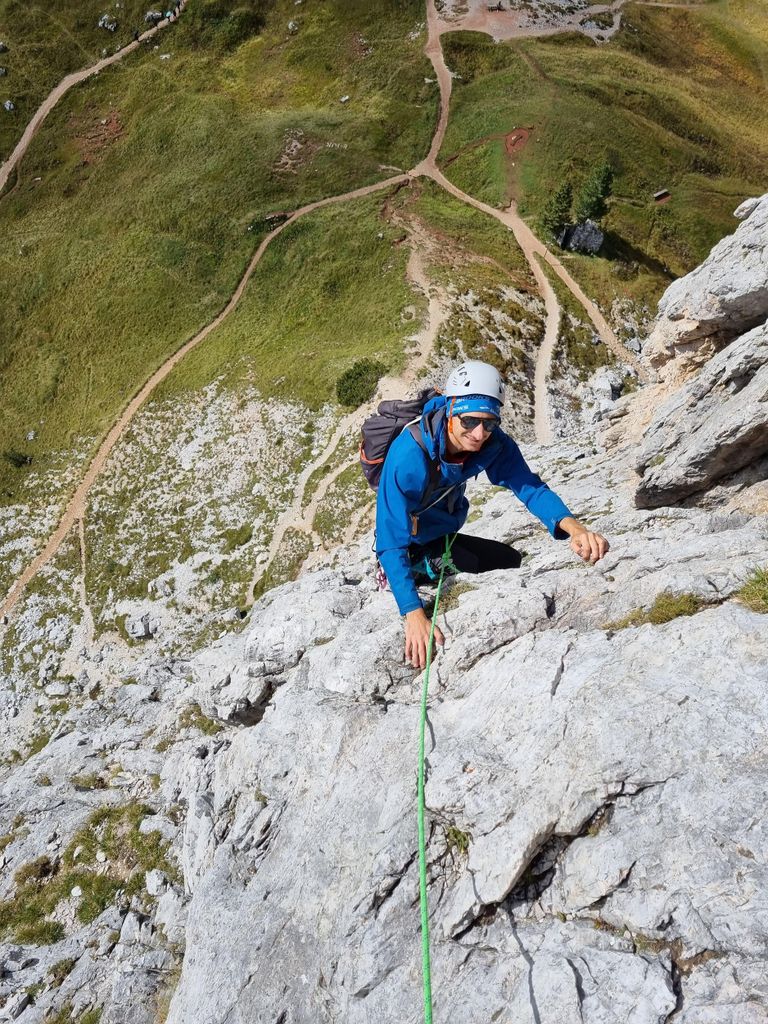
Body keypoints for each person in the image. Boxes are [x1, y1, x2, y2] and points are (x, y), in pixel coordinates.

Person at [375, 360, 609, 669]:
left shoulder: (494, 444)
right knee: (465, 563)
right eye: (470, 421)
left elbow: (530, 487)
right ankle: (394, 574)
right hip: (407, 542)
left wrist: (575, 529)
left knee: (510, 561)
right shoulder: (409, 455)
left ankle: (429, 559)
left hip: (441, 532)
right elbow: (390, 539)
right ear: (450, 410)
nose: (479, 433)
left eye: (489, 423)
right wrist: (414, 614)